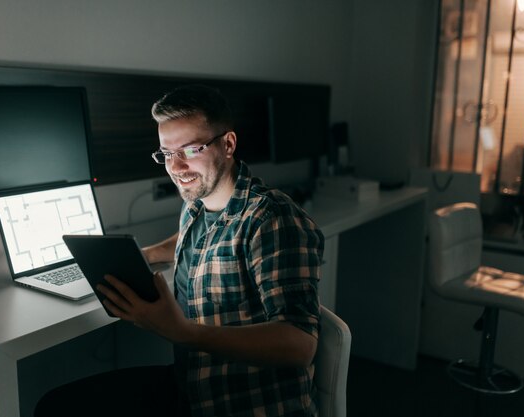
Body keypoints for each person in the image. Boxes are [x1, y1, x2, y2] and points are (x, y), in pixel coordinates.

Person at [35, 84, 324, 417]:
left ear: (228, 144)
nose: (176, 167)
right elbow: (197, 237)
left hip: (241, 402)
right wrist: (147, 254)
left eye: (191, 149)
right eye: (166, 154)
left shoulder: (273, 220)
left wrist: (182, 333)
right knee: (55, 406)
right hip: (189, 387)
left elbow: (300, 344)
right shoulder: (197, 204)